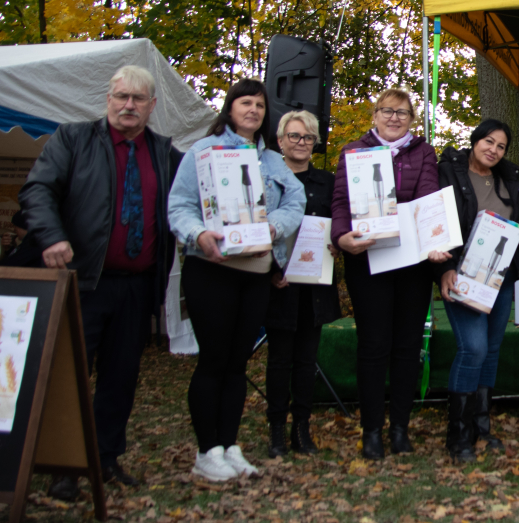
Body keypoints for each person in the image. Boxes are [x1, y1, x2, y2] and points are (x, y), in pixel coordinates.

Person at [19, 66, 181, 499]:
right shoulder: (73, 139)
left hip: (138, 286)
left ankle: (106, 457)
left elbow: (195, 197)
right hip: (81, 283)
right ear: (107, 99)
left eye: (138, 99)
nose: (129, 106)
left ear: (152, 105)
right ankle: (63, 467)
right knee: (69, 376)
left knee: (121, 377)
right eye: (121, 97)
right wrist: (51, 236)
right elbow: (37, 191)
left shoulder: (165, 153)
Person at [167, 78, 305, 481]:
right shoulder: (203, 151)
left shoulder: (273, 161)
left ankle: (229, 445)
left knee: (237, 363)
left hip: (256, 274)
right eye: (246, 103)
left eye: (260, 106)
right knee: (213, 360)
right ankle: (205, 450)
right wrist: (198, 234)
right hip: (212, 271)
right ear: (230, 109)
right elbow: (179, 205)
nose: (253, 111)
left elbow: (295, 201)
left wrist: (273, 229)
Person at [332, 88, 446, 460]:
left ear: (412, 118)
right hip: (367, 260)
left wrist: (432, 237)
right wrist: (340, 236)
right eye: (387, 111)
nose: (394, 118)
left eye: (402, 113)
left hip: (412, 261)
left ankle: (400, 429)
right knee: (373, 345)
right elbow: (340, 202)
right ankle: (371, 432)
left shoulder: (424, 152)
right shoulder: (353, 151)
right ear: (374, 115)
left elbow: (429, 197)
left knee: (407, 347)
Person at [436, 119, 519, 462]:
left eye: (501, 146)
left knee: (491, 350)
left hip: (500, 276)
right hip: (463, 273)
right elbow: (438, 223)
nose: (493, 149)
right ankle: (458, 433)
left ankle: (481, 424)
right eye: (487, 142)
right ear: (474, 141)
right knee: (473, 348)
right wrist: (444, 268)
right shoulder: (447, 172)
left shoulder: (512, 178)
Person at [264, 111, 341, 458]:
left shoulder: (327, 181)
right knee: (280, 360)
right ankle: (276, 430)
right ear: (280, 141)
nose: (301, 143)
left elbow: (339, 221)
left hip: (314, 284)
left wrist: (337, 241)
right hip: (277, 282)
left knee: (307, 361)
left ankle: (302, 428)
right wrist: (269, 269)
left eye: (307, 137)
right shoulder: (267, 179)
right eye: (294, 136)